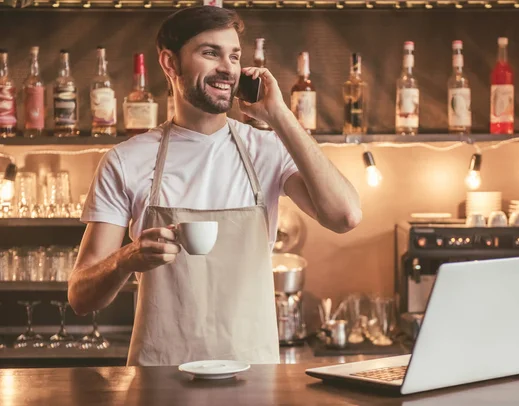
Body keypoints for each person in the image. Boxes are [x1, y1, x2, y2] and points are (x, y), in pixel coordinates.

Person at [67, 6, 361, 366]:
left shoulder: (267, 150)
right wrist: (126, 259)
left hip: (253, 377)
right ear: (170, 64)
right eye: (210, 53)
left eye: (234, 56)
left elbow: (345, 216)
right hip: (160, 380)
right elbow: (81, 296)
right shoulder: (126, 160)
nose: (228, 68)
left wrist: (281, 117)